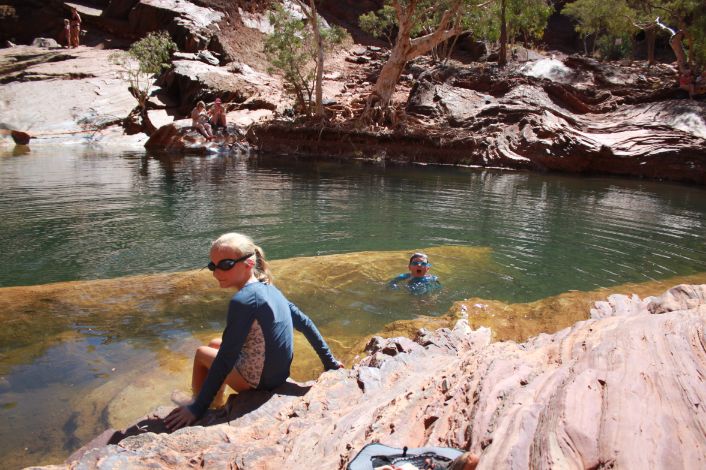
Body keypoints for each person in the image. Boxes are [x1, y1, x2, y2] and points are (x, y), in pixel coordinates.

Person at [164, 232, 343, 431]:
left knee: (202, 353)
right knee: (215, 343)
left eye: (225, 265)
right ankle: (216, 400)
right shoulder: (269, 288)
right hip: (278, 373)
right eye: (212, 266)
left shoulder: (243, 301)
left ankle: (199, 404)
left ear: (248, 263)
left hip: (260, 383)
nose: (216, 273)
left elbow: (226, 358)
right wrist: (331, 363)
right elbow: (306, 324)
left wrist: (197, 408)